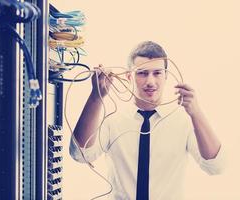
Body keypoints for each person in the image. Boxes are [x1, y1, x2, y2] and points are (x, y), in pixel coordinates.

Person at [69, 41, 226, 200]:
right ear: (129, 76)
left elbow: (216, 167)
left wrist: (196, 112)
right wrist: (96, 97)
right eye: (142, 73)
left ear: (165, 76)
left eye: (157, 73)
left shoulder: (183, 120)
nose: (150, 81)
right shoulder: (112, 119)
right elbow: (80, 155)